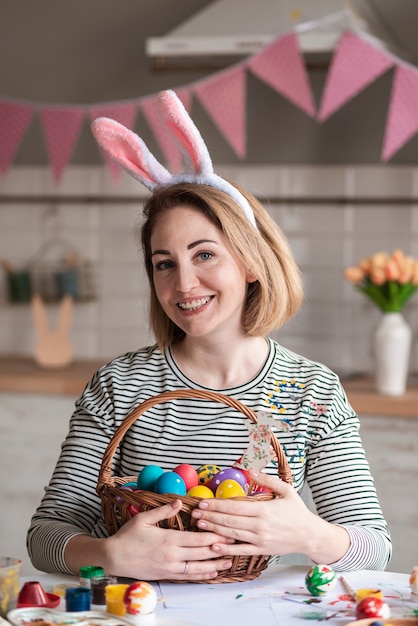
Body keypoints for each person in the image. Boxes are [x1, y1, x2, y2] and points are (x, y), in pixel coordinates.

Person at [27, 91, 391, 581]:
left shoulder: (313, 392)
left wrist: (309, 535)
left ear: (250, 264)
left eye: (204, 255)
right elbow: (47, 535)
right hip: (132, 610)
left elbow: (374, 548)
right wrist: (110, 556)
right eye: (164, 264)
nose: (183, 284)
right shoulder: (118, 386)